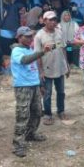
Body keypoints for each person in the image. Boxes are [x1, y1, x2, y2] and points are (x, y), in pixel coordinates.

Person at [11, 27, 51, 158]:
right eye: (26, 36)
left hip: (33, 85)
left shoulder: (30, 49)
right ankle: (18, 144)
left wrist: (40, 83)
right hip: (23, 87)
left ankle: (30, 134)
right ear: (19, 37)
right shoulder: (16, 50)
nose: (30, 38)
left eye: (31, 36)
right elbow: (25, 60)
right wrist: (41, 52)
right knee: (23, 115)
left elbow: (34, 67)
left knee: (37, 111)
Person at [34, 11, 70, 125]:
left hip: (59, 67)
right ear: (44, 21)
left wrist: (67, 66)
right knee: (47, 93)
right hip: (47, 68)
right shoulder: (39, 36)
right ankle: (48, 114)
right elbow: (37, 55)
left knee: (61, 92)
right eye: (50, 20)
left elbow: (63, 49)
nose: (53, 22)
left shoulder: (59, 32)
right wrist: (40, 72)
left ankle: (61, 110)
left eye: (55, 19)